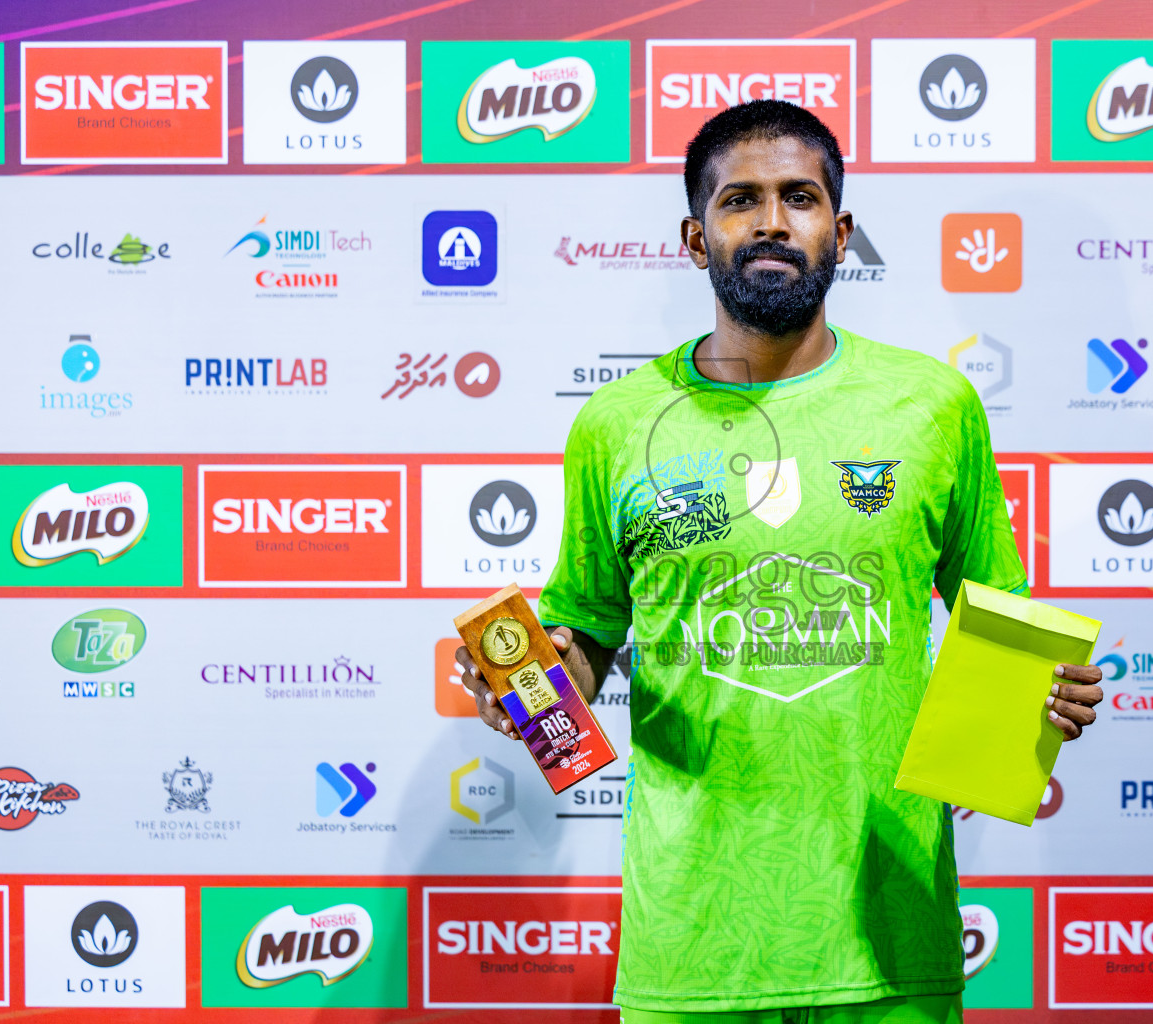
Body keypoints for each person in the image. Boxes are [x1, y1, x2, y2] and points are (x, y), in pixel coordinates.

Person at [456, 99, 1104, 1024]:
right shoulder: (614, 424)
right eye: (739, 200)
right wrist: (528, 687)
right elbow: (585, 636)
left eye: (799, 197)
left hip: (891, 941)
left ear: (839, 233)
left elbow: (1007, 629)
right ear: (694, 235)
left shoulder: (932, 405)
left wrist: (1048, 697)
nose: (770, 221)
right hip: (692, 949)